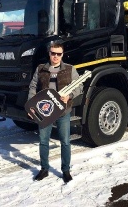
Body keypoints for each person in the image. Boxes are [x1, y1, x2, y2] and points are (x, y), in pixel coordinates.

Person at [27, 40, 81, 183]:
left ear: (62, 54)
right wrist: (31, 105)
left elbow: (79, 87)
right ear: (49, 53)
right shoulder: (41, 69)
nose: (56, 56)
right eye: (53, 53)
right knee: (43, 141)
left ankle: (66, 171)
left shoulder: (70, 69)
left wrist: (69, 96)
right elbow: (33, 87)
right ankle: (44, 169)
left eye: (59, 54)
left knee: (65, 142)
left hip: (63, 111)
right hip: (44, 112)